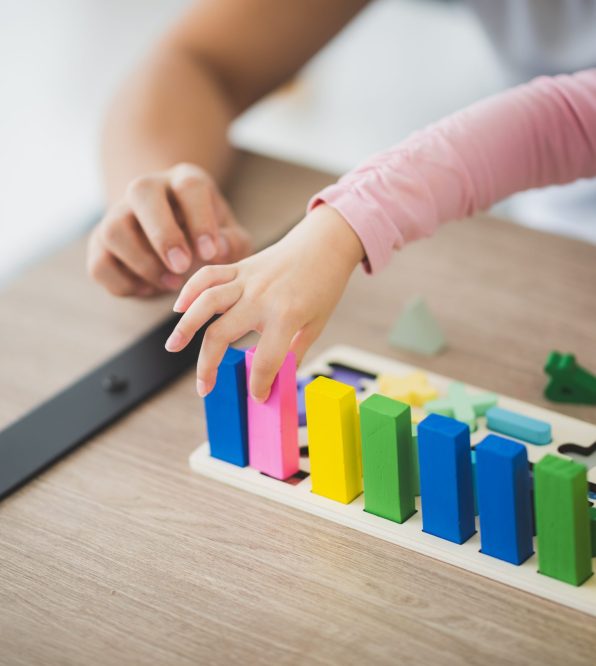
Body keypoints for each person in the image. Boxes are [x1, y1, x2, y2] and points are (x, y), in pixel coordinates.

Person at [88, 1, 596, 399]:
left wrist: (343, 225)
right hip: (551, 247)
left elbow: (564, 122)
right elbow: (196, 60)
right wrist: (162, 201)